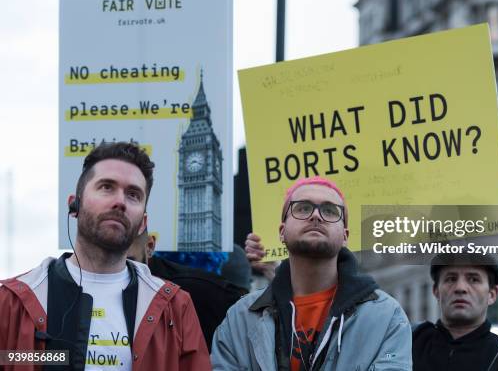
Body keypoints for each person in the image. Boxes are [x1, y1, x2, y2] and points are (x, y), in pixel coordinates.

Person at [0, 142, 211, 371]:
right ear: (74, 205)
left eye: (133, 194)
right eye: (106, 187)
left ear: (143, 223)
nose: (120, 201)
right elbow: (12, 359)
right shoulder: (12, 302)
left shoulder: (176, 308)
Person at [212, 176, 412, 370]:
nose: (316, 215)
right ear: (282, 231)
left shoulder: (387, 318)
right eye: (303, 208)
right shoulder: (240, 318)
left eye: (330, 211)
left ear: (345, 236)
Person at [412, 253, 498, 370]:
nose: (460, 288)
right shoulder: (407, 342)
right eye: (451, 279)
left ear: (492, 294)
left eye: (474, 279)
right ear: (436, 291)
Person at [127, 231, 247, 349]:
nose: (117, 274)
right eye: (107, 261)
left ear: (150, 246)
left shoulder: (202, 291)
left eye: (128, 263)